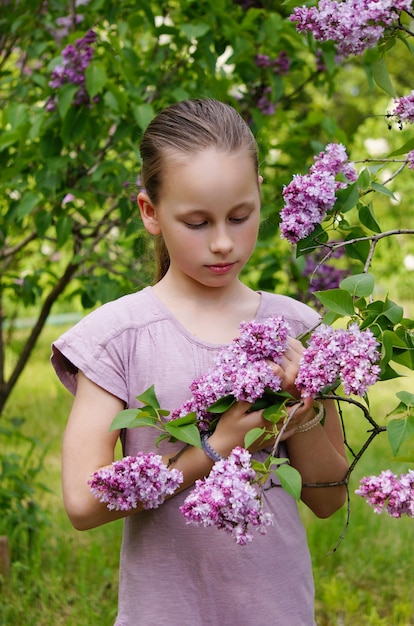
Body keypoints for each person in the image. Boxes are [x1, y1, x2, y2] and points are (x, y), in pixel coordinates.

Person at [51, 98, 348, 626]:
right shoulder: (120, 337)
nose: (222, 242)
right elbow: (82, 502)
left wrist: (302, 416)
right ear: (150, 213)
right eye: (196, 222)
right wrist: (214, 448)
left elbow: (328, 499)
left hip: (276, 609)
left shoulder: (298, 329)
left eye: (240, 216)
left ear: (261, 194)